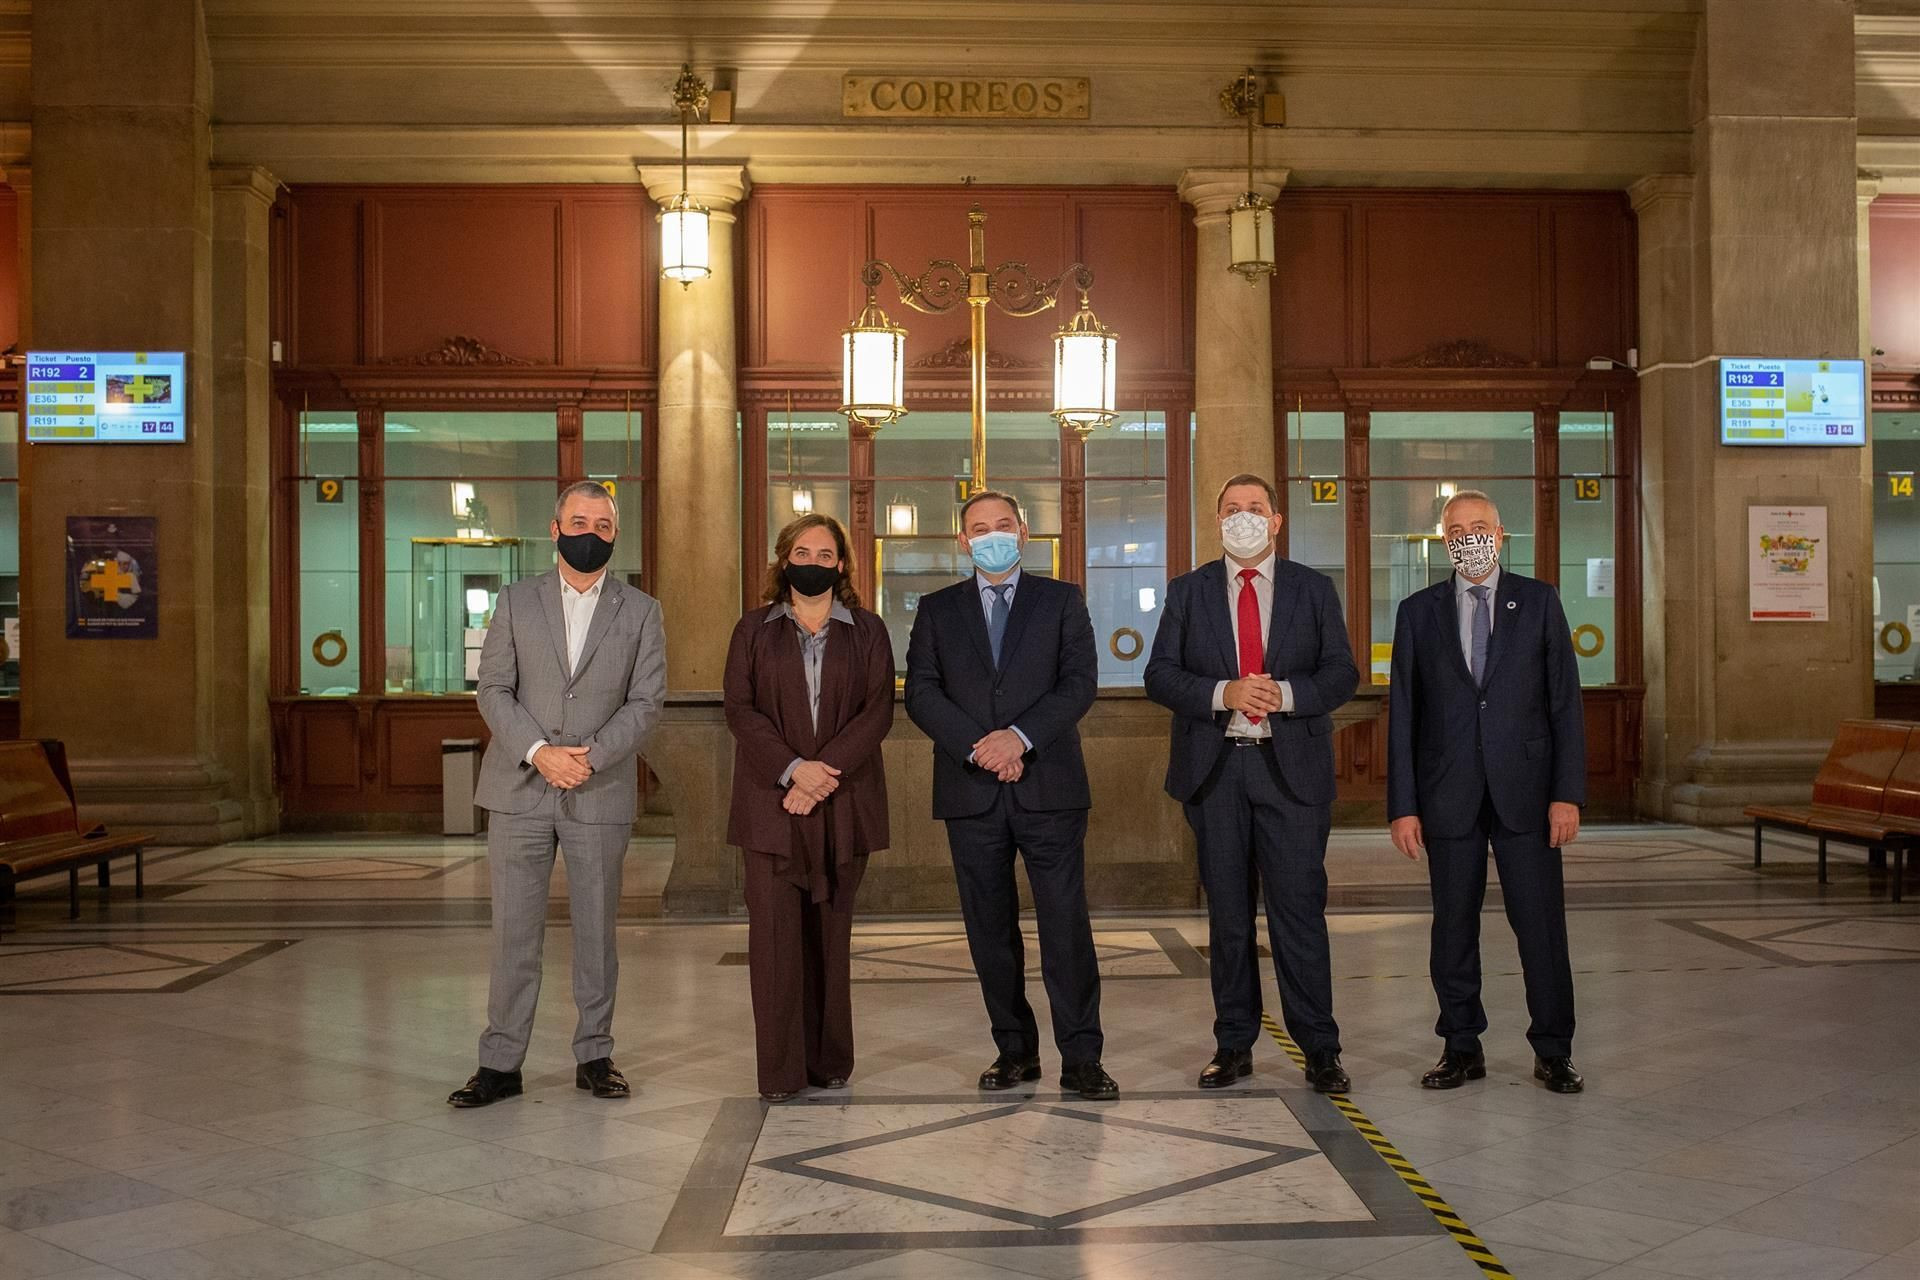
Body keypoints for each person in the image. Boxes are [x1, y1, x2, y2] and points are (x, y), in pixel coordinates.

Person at [448, 481, 666, 1108]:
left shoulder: (641, 610)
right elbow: (493, 689)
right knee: (514, 932)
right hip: (519, 788)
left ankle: (595, 1053)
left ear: (615, 533)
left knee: (597, 933)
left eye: (602, 524)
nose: (590, 533)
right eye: (579, 520)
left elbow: (646, 701)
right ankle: (500, 1064)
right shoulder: (515, 603)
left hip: (599, 788)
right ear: (554, 528)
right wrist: (540, 753)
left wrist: (589, 757)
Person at [1144, 473, 1358, 1094]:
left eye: (1255, 508)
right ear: (1217, 522)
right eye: (1231, 509)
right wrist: (1224, 692)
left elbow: (1341, 672)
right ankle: (1233, 1043)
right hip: (1216, 773)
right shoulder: (1188, 592)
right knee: (1229, 920)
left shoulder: (1313, 590)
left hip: (1291, 773)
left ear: (1276, 520)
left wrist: (1286, 695)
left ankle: (1321, 1049)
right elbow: (1161, 675)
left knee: (1299, 916)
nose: (1244, 517)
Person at [903, 490, 1114, 1101]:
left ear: (1023, 533)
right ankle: (1013, 1050)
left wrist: (1018, 739)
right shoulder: (939, 610)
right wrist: (980, 747)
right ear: (963, 542)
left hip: (1049, 788)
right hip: (971, 791)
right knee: (989, 931)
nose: (991, 535)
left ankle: (1081, 1058)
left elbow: (1079, 683)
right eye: (978, 528)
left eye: (1003, 525)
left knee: (1065, 927)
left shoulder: (1061, 600)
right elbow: (921, 691)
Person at [1386, 488, 1587, 1094]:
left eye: (1480, 527)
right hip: (1448, 793)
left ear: (1501, 536)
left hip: (1527, 792)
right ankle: (1460, 1044)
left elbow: (1563, 704)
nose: (1469, 537)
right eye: (1457, 529)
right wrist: (1404, 805)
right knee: (1452, 926)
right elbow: (1404, 712)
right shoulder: (1417, 612)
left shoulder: (1540, 601)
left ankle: (1553, 1049)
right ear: (1443, 541)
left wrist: (1567, 793)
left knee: (1541, 926)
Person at [724, 514, 894, 1102]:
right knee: (773, 943)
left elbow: (878, 713)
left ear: (842, 565)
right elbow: (740, 711)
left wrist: (820, 775)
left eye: (826, 555)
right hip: (771, 806)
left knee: (831, 937)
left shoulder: (868, 631)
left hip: (844, 804)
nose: (814, 564)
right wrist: (795, 770)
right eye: (803, 552)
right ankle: (780, 1073)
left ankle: (830, 1061)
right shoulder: (752, 630)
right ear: (782, 560)